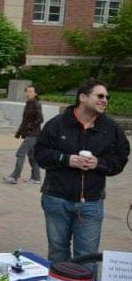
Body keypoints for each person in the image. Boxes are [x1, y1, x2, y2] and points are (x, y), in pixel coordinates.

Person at [34, 78, 130, 263]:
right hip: (56, 199)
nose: (105, 100)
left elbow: (121, 157)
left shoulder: (110, 127)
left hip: (91, 203)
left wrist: (99, 163)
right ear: (83, 97)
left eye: (106, 97)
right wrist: (66, 159)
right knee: (57, 253)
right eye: (100, 96)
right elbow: (40, 153)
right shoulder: (57, 123)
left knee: (86, 257)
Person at [3, 85, 43, 184]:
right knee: (32, 156)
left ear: (35, 93)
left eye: (30, 92)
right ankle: (36, 178)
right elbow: (25, 120)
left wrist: (30, 128)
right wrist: (19, 132)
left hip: (33, 135)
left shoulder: (36, 104)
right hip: (30, 134)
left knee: (20, 153)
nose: (28, 93)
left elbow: (40, 119)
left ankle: (14, 177)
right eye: (27, 91)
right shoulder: (29, 104)